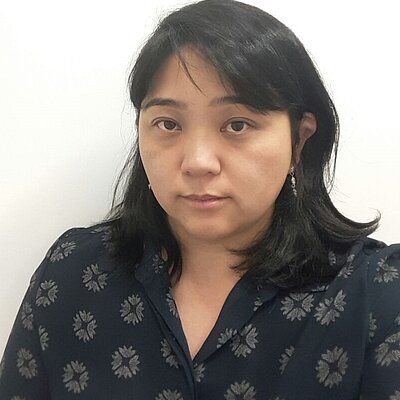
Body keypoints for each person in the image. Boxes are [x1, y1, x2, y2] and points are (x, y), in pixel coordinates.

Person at [1, 0, 399, 398]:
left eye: (237, 124)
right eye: (168, 124)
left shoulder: (377, 297)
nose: (198, 162)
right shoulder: (72, 273)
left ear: (299, 141)